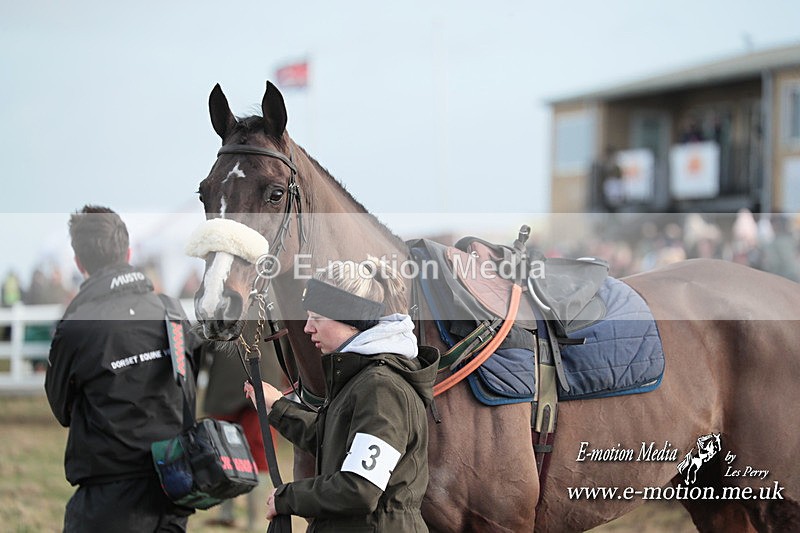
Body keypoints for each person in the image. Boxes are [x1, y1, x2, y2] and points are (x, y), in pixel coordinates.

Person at [245, 257, 439, 532]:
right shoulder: (361, 378)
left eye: (317, 317)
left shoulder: (381, 388)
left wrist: (288, 498)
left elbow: (360, 488)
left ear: (351, 321)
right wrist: (276, 407)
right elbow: (332, 439)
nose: (307, 327)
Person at [45, 205, 200, 533]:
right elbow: (188, 385)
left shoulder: (76, 327)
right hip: (173, 486)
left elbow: (62, 409)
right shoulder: (170, 310)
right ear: (127, 252)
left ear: (78, 262)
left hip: (108, 497)